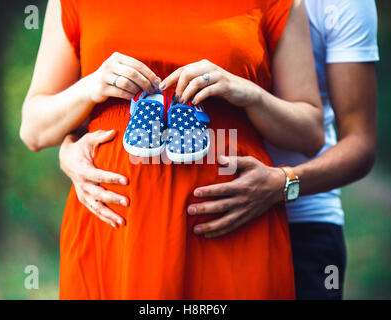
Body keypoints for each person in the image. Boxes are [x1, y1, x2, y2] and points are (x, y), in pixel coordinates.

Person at [21, 0, 324, 299]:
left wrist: (248, 93)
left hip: (231, 226)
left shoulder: (278, 3)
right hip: (115, 229)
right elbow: (34, 130)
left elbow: (310, 134)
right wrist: (91, 87)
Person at [173, 0, 379, 299]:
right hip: (210, 219)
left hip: (305, 223)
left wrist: (282, 184)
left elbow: (360, 145)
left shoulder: (342, 4)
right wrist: (76, 153)